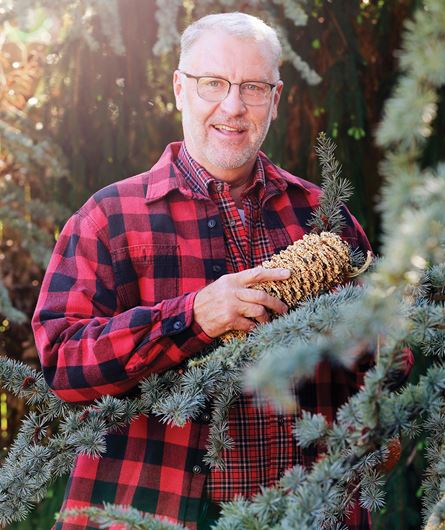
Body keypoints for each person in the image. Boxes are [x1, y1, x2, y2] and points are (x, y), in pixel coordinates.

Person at [33, 12, 380, 530]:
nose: (233, 106)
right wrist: (194, 316)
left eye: (253, 87)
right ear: (179, 88)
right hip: (153, 508)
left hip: (305, 512)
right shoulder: (109, 218)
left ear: (276, 98)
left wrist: (366, 347)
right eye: (212, 83)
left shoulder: (322, 216)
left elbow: (393, 368)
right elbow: (62, 364)